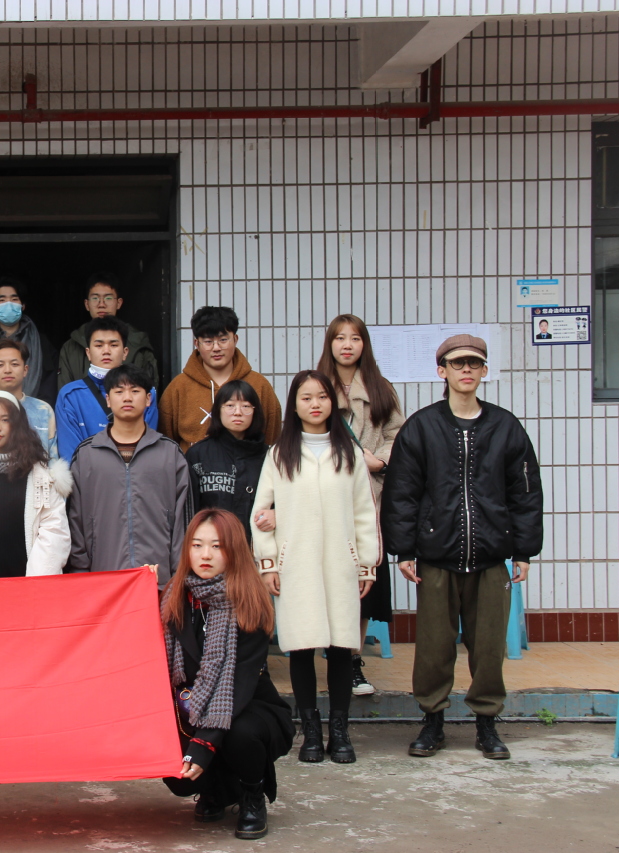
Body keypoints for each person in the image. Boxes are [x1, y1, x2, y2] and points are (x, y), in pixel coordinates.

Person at [381, 334, 542, 761]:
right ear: (442, 371)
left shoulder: (505, 426)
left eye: (474, 363)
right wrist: (404, 550)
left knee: (488, 648)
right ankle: (432, 720)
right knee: (434, 647)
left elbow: (525, 492)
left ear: (484, 371)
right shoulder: (422, 426)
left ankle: (486, 722)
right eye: (457, 363)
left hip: (490, 557)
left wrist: (523, 551)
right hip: (436, 557)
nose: (466, 370)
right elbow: (402, 492)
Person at [251, 370, 379, 766]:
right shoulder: (279, 454)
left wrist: (366, 564)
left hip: (341, 564)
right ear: (294, 405)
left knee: (341, 647)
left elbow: (364, 513)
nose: (315, 404)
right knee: (302, 648)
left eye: (322, 396)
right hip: (296, 566)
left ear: (332, 402)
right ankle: (309, 731)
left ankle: (339, 731)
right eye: (306, 398)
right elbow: (261, 512)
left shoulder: (349, 452)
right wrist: (269, 563)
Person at [162, 508, 293, 840]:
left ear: (234, 550)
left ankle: (252, 794)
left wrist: (204, 743)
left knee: (240, 733)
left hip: (247, 704)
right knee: (173, 770)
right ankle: (215, 791)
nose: (205, 555)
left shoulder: (251, 602)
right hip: (192, 705)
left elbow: (236, 685)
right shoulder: (173, 598)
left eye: (217, 546)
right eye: (197, 545)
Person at [316, 314, 406, 697]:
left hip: (370, 497)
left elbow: (398, 433)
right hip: (325, 496)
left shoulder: (381, 388)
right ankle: (330, 653)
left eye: (355, 338)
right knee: (325, 580)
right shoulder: (317, 386)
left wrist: (380, 460)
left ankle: (352, 661)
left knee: (365, 582)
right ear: (330, 344)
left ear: (364, 344)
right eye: (340, 338)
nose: (347, 345)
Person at [66, 365, 190, 590]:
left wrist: (177, 578)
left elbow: (183, 519)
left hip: (159, 581)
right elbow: (75, 519)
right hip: (102, 581)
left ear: (148, 399)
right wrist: (81, 574)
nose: (127, 398)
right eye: (119, 391)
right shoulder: (87, 454)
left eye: (135, 391)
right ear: (108, 399)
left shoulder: (170, 453)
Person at [0, 391, 71, 578]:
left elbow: (55, 531)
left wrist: (34, 582)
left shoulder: (40, 474)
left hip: (30, 583)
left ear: (17, 425)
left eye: (5, 420)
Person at [159, 306, 281, 452]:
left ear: (235, 339)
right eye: (208, 341)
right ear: (197, 344)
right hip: (191, 466)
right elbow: (165, 442)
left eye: (223, 340)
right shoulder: (178, 387)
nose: (216, 348)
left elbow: (272, 438)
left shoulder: (259, 385)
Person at [55, 317, 158, 462]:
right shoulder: (70, 395)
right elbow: (71, 456)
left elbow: (147, 450)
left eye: (113, 345)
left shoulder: (146, 392)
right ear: (88, 353)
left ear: (125, 352)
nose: (106, 351)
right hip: (86, 475)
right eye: (99, 345)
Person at [185, 380, 268, 537]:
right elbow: (188, 511)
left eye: (246, 406)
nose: (238, 412)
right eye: (230, 405)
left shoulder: (269, 456)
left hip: (254, 545)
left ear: (255, 412)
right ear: (218, 410)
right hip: (210, 544)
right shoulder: (198, 455)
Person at [58, 272, 159, 388]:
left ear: (119, 303)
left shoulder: (139, 344)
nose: (101, 304)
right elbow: (65, 393)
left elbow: (148, 393)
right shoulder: (71, 347)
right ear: (87, 304)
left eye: (108, 298)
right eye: (95, 298)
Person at [0, 277, 58, 404]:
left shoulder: (41, 342)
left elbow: (49, 383)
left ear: (23, 306)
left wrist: (36, 409)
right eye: (2, 300)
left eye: (14, 299)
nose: (8, 304)